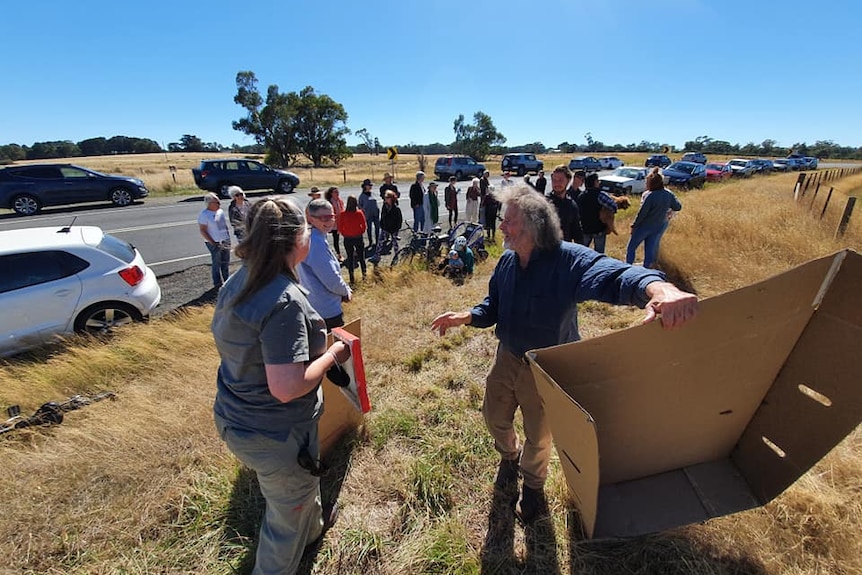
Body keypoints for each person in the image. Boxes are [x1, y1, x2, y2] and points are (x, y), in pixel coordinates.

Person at [431, 184, 697, 525]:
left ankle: (532, 487)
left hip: (546, 368)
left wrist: (661, 289)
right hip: (507, 357)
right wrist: (465, 316)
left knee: (539, 436)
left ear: (533, 226)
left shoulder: (568, 259)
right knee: (493, 417)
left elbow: (615, 273)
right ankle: (508, 456)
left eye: (508, 221)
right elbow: (493, 306)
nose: (501, 227)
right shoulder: (507, 262)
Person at [211, 197, 350, 575]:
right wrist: (334, 354)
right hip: (276, 432)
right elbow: (288, 388)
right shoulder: (283, 300)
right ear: (294, 240)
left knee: (302, 488)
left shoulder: (241, 279)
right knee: (286, 517)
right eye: (306, 228)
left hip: (240, 416)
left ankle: (314, 531)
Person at [298, 199, 352, 330]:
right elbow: (331, 279)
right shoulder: (316, 243)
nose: (328, 221)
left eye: (331, 216)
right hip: (327, 310)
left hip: (313, 306)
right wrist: (346, 291)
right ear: (311, 219)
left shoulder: (309, 237)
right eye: (323, 218)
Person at [626, 168, 683, 268]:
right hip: (658, 226)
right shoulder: (669, 194)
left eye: (647, 182)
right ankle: (646, 269)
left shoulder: (650, 196)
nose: (646, 184)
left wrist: (634, 225)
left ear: (652, 183)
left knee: (631, 248)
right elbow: (678, 207)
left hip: (644, 226)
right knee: (650, 250)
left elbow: (642, 213)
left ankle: (628, 267)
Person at [576, 173, 618, 253]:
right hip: (598, 229)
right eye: (598, 181)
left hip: (585, 229)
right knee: (599, 254)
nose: (599, 183)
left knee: (581, 253)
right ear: (595, 182)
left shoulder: (581, 195)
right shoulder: (600, 195)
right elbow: (614, 206)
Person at [198, 192, 231, 289]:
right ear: (210, 203)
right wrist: (213, 242)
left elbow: (224, 225)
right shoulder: (204, 215)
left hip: (225, 240)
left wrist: (228, 237)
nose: (219, 204)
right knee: (217, 263)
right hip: (214, 242)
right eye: (217, 203)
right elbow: (203, 230)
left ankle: (226, 280)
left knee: (225, 262)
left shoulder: (220, 211)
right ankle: (217, 283)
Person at [547, 165, 584, 244]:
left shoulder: (571, 205)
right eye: (554, 180)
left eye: (560, 180)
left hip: (564, 252)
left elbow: (578, 234)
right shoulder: (544, 203)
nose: (557, 184)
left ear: (568, 180)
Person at [338, 195, 368, 284]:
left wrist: (345, 233)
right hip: (358, 237)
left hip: (348, 238)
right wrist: (360, 232)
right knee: (361, 257)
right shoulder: (359, 213)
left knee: (350, 258)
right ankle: (364, 276)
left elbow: (340, 227)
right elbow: (364, 225)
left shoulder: (343, 214)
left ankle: (352, 279)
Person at [370, 190, 403, 264]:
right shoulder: (384, 206)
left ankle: (397, 256)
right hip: (385, 228)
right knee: (380, 242)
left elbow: (399, 220)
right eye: (385, 197)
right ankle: (377, 256)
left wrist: (396, 228)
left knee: (395, 243)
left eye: (387, 197)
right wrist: (382, 225)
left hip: (393, 229)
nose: (386, 199)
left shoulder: (396, 209)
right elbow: (382, 216)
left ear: (391, 198)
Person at [358, 179, 380, 249]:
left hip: (375, 214)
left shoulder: (373, 194)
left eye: (371, 185)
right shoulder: (362, 196)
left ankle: (377, 241)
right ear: (365, 186)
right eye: (369, 185)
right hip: (368, 215)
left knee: (377, 228)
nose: (370, 187)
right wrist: (363, 210)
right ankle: (370, 241)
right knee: (369, 228)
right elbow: (359, 206)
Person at [324, 187, 345, 261]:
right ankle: (337, 255)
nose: (337, 193)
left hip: (340, 223)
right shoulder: (329, 202)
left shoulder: (340, 201)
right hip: (332, 224)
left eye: (337, 191)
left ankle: (340, 254)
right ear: (331, 193)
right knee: (333, 239)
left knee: (343, 237)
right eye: (335, 192)